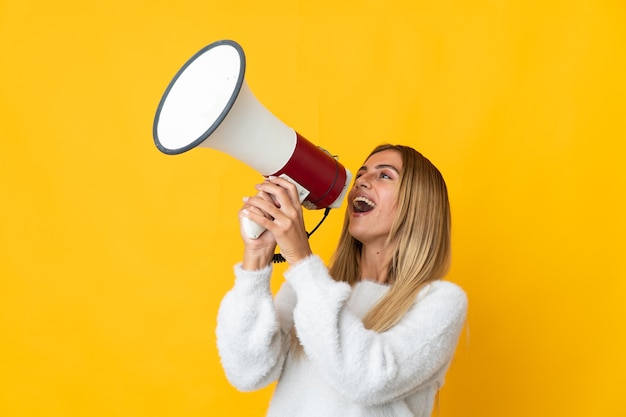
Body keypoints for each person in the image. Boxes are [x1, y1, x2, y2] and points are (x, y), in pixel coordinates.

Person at [216, 144, 467, 417]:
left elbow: (368, 379)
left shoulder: (440, 301)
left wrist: (301, 258)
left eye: (384, 175)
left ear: (419, 203)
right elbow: (247, 372)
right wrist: (256, 258)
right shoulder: (309, 288)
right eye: (361, 173)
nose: (361, 181)